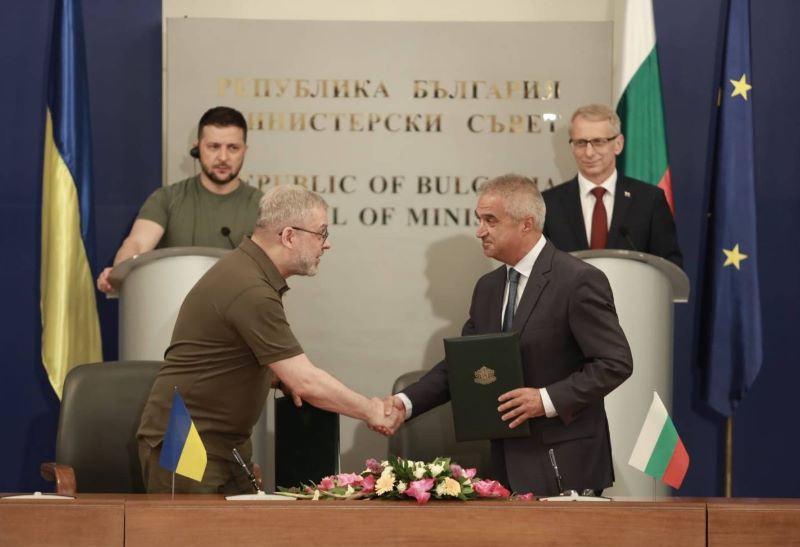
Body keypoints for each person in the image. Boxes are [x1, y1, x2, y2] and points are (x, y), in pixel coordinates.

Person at [137, 185, 402, 493]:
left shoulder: (248, 273)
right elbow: (306, 381)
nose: (327, 244)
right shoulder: (250, 288)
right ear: (289, 236)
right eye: (321, 233)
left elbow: (233, 356)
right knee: (192, 528)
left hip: (224, 446)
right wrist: (371, 410)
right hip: (188, 444)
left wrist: (278, 379)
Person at [383, 174, 633, 496]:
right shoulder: (487, 289)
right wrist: (405, 403)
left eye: (490, 220)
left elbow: (614, 363)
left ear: (526, 224)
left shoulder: (578, 280)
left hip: (566, 465)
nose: (480, 231)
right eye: (479, 220)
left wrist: (545, 399)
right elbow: (462, 366)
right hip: (505, 466)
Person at [96, 106, 262, 293]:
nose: (223, 157)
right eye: (214, 147)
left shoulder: (264, 206)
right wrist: (120, 272)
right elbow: (137, 244)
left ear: (245, 150)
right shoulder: (166, 198)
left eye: (233, 148)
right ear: (197, 148)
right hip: (174, 305)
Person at [542, 104, 683, 267]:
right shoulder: (548, 204)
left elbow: (669, 266)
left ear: (618, 144)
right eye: (581, 143)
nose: (589, 152)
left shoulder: (649, 200)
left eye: (598, 142)